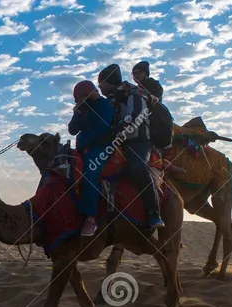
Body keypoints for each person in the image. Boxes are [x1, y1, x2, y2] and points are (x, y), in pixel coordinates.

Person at [98, 64, 164, 230]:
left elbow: (134, 120)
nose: (99, 87)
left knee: (137, 167)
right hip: (115, 142)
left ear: (108, 82)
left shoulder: (133, 94)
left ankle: (153, 212)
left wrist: (115, 132)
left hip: (138, 141)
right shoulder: (110, 100)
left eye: (101, 83)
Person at [68, 81, 114, 237]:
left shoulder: (103, 105)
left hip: (103, 147)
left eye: (81, 96)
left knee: (90, 171)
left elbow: (102, 128)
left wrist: (83, 141)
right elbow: (72, 130)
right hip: (84, 148)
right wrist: (78, 113)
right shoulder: (84, 109)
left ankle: (90, 218)